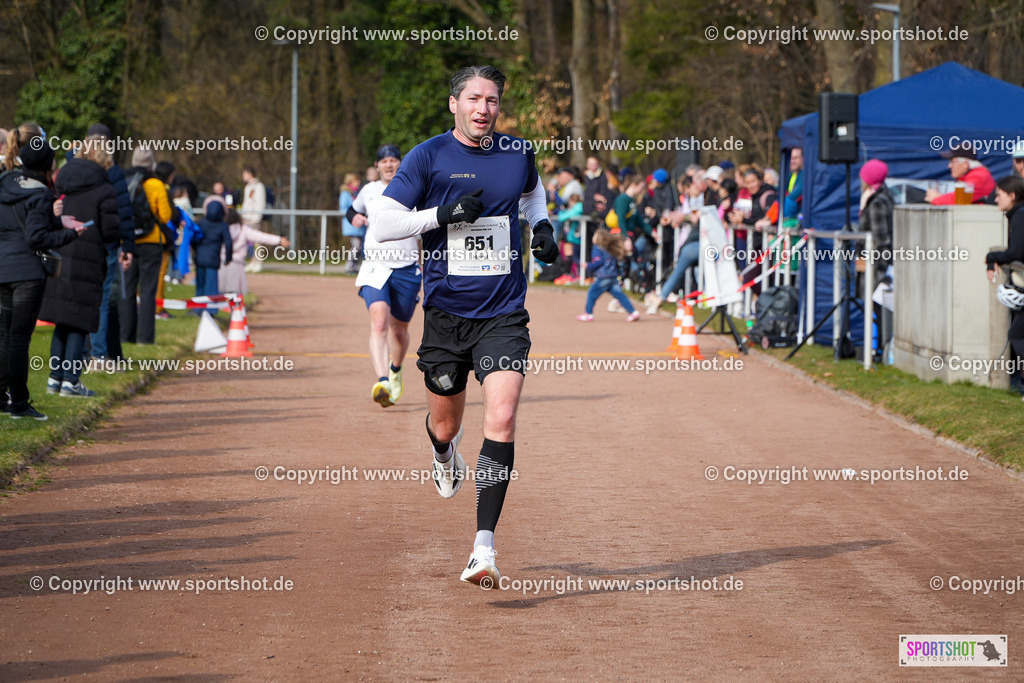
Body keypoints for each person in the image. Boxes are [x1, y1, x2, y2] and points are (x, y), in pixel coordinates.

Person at [371, 65, 558, 587]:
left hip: (503, 314)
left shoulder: (517, 153)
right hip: (448, 317)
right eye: (474, 99)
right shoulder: (428, 156)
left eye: (492, 100)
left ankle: (484, 549)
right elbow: (384, 224)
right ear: (454, 104)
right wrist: (442, 215)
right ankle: (441, 452)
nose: (483, 109)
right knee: (447, 424)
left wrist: (542, 227)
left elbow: (533, 193)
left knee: (501, 417)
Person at [0, 123, 87, 419]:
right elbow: (36, 238)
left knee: (4, 336)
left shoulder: (5, 184)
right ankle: (19, 403)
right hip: (26, 271)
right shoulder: (39, 195)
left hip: (3, 267)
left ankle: (3, 398)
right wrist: (71, 234)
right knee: (18, 339)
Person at [40, 135, 120, 397]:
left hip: (62, 249)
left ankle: (54, 378)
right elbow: (110, 230)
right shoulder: (103, 187)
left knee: (62, 320)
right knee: (79, 320)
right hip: (89, 256)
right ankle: (71, 381)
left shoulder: (61, 178)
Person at [348, 145, 421, 408]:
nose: (389, 165)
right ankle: (382, 381)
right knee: (379, 321)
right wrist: (355, 217)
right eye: (384, 161)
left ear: (400, 164)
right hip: (375, 266)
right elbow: (351, 211)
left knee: (399, 331)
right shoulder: (369, 190)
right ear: (377, 166)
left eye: (393, 160)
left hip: (407, 268)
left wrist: (424, 263)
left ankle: (395, 369)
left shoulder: (415, 189)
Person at [83, 125, 134, 365]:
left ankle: (81, 353)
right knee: (103, 299)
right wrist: (129, 245)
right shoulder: (113, 172)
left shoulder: (74, 168)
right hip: (106, 241)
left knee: (82, 298)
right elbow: (124, 211)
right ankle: (99, 354)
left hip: (79, 240)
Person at [121, 148, 172, 344]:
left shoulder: (124, 181)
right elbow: (166, 216)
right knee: (148, 290)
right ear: (152, 164)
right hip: (151, 241)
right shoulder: (156, 184)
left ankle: (126, 336)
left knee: (128, 289)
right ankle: (145, 338)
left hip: (127, 241)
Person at [986, 175, 1024, 395]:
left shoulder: (1019, 215)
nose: (995, 200)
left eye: (999, 195)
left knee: (1018, 335)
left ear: (1012, 195)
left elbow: (1016, 253)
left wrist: (991, 255)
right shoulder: (1016, 214)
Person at [858, 159, 895, 358]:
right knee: (876, 311)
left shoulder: (878, 202)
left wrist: (877, 270)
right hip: (875, 264)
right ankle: (876, 349)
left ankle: (878, 351)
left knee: (879, 311)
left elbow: (883, 240)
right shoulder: (878, 197)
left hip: (878, 266)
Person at [220, 208, 288, 296]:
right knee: (236, 296)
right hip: (237, 267)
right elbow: (260, 237)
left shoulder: (219, 229)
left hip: (221, 264)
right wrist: (278, 240)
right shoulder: (243, 229)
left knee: (220, 295)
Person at [578, 229, 640, 322]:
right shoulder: (610, 249)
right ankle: (633, 312)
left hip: (603, 277)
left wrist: (588, 265)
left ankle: (588, 314)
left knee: (591, 294)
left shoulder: (597, 248)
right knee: (620, 295)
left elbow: (598, 262)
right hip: (613, 277)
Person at [925, 143, 995, 205]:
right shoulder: (976, 174)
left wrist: (935, 199)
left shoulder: (978, 176)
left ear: (965, 164)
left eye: (952, 162)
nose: (949, 166)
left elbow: (960, 199)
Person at [192, 200, 232, 308]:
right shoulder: (223, 225)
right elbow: (228, 243)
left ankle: (198, 308)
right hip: (213, 259)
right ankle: (211, 310)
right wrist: (228, 258)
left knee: (200, 285)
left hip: (200, 258)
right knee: (212, 286)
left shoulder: (202, 222)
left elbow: (194, 238)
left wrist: (195, 251)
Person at [241, 167, 267, 273]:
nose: (243, 177)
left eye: (244, 174)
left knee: (257, 241)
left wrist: (257, 216)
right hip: (246, 218)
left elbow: (260, 203)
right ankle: (252, 261)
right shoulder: (248, 187)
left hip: (254, 218)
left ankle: (259, 262)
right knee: (249, 242)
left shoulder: (259, 186)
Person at [339, 172, 363, 275]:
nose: (358, 182)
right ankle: (349, 266)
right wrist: (354, 215)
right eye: (355, 180)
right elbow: (343, 208)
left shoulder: (357, 193)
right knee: (356, 245)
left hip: (360, 226)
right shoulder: (345, 193)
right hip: (351, 224)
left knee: (359, 246)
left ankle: (355, 266)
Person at [782, 147, 804, 220]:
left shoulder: (805, 175)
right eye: (790, 158)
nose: (792, 161)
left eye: (796, 158)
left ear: (803, 158)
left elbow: (793, 197)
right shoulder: (790, 175)